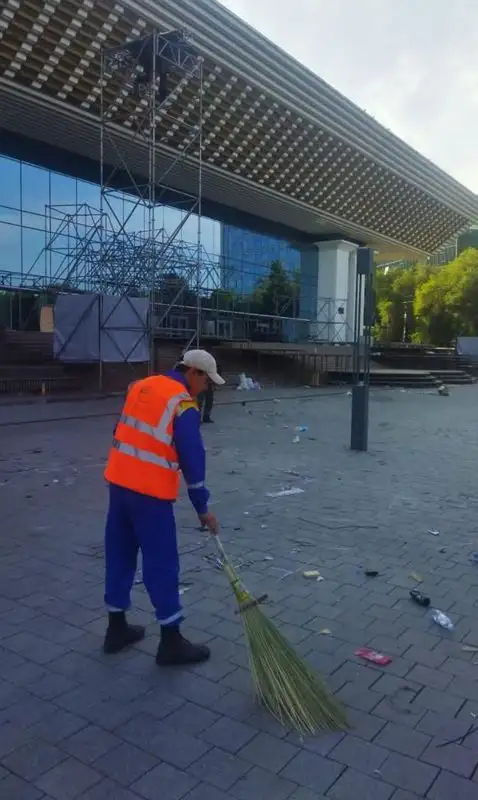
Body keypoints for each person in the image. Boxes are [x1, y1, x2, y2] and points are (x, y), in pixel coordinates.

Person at [102, 349, 225, 666]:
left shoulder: (142, 385)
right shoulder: (183, 403)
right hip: (149, 494)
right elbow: (193, 459)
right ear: (193, 373)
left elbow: (122, 431)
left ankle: (116, 629)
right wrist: (202, 507)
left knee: (120, 554)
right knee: (162, 564)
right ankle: (171, 641)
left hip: (119, 484)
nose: (206, 388)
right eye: (207, 381)